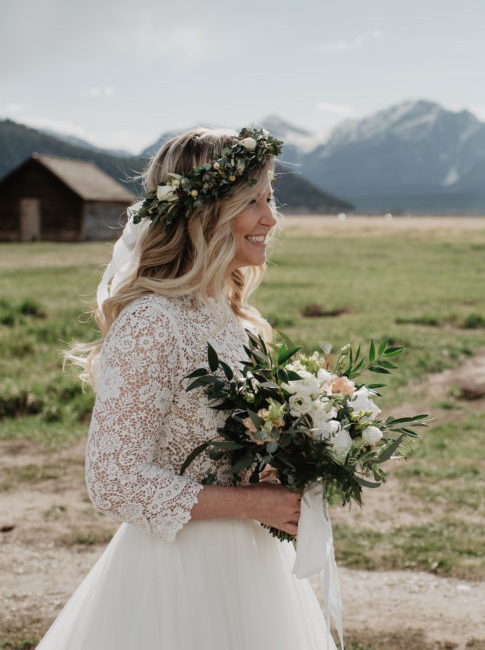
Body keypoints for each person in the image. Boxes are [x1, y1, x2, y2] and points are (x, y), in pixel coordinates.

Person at [37, 127, 336, 650]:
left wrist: (278, 464)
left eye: (271, 199)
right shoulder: (154, 322)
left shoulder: (236, 320)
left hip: (253, 565)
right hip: (177, 577)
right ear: (207, 212)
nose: (271, 218)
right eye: (252, 201)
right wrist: (250, 506)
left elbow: (227, 441)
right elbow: (113, 480)